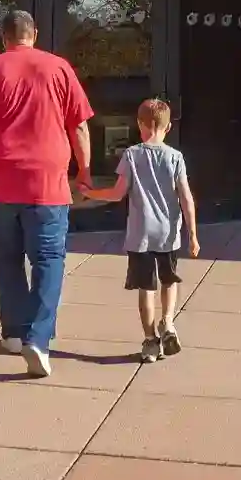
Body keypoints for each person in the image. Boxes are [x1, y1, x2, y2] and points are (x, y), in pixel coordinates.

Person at [0, 10, 93, 378]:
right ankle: (39, 337)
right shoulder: (59, 68)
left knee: (7, 259)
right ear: (34, 33)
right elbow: (78, 127)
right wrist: (84, 172)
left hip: (1, 184)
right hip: (48, 184)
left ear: (3, 37)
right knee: (49, 260)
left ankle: (14, 334)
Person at [80, 98, 199, 362]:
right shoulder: (175, 157)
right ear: (167, 128)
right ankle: (167, 322)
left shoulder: (132, 155)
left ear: (139, 124)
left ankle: (150, 341)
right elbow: (186, 197)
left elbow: (117, 193)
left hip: (141, 234)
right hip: (168, 234)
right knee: (169, 280)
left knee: (146, 288)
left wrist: (91, 193)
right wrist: (192, 234)